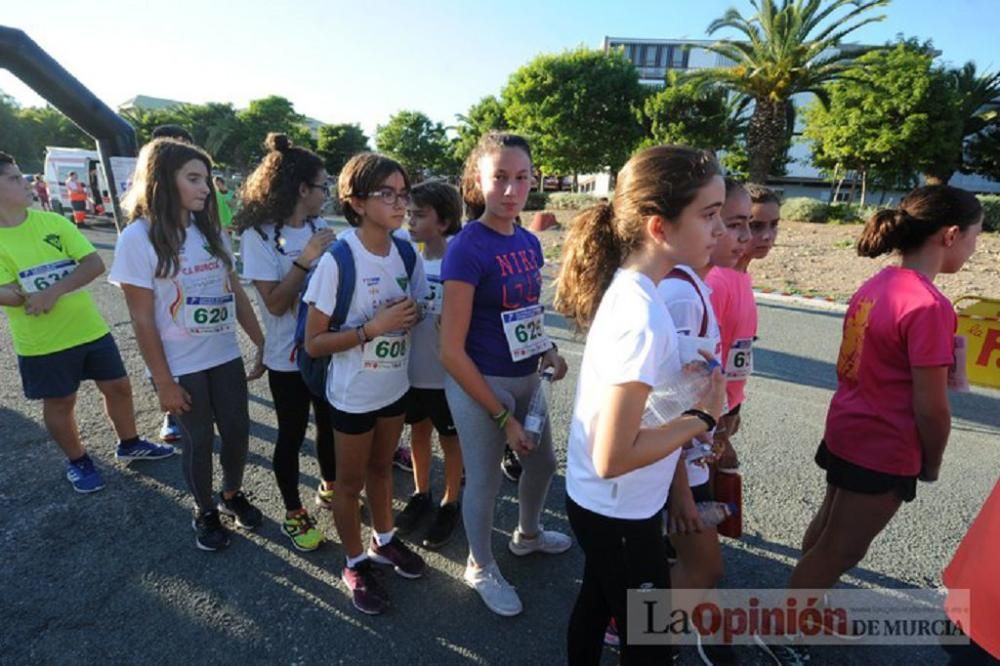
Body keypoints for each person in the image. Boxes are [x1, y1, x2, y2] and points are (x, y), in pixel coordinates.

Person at [763, 185, 983, 664]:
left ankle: (804, 612)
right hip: (885, 445)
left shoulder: (880, 283)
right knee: (840, 550)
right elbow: (932, 408)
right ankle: (783, 632)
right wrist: (932, 461)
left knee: (825, 532)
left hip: (848, 427)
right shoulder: (930, 306)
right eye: (974, 238)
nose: (974, 249)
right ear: (950, 235)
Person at [554, 145, 727, 665]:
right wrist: (700, 418)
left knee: (597, 599)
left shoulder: (634, 289)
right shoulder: (643, 316)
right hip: (618, 508)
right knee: (651, 641)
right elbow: (614, 455)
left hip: (605, 502)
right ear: (659, 227)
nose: (718, 230)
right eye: (710, 215)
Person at [109, 138, 266, 552]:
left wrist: (260, 341)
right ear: (162, 179)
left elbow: (234, 291)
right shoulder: (137, 238)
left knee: (236, 431)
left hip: (223, 353)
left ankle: (231, 494)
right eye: (194, 178)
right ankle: (204, 509)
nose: (206, 188)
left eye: (207, 179)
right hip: (180, 363)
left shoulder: (208, 229)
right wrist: (163, 381)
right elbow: (142, 319)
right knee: (198, 440)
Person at [440, 131, 571, 617]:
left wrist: (550, 349)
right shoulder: (466, 248)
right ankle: (479, 565)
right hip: (480, 381)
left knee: (542, 464)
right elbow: (450, 351)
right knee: (485, 484)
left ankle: (528, 536)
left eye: (522, 178)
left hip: (527, 376)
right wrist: (503, 418)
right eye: (500, 178)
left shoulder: (528, 241)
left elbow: (525, 312)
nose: (512, 190)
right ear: (478, 179)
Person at [0, 151, 173, 493]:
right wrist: (22, 295)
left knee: (119, 387)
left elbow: (93, 264)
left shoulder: (54, 222)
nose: (26, 182)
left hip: (90, 329)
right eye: (14, 178)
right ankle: (78, 461)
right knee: (61, 402)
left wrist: (50, 292)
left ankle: (130, 443)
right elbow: (6, 292)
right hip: (42, 343)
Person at [303, 151, 429, 615]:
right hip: (352, 394)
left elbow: (413, 309)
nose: (400, 204)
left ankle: (385, 540)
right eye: (386, 194)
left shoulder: (405, 252)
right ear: (355, 202)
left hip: (394, 387)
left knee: (382, 472)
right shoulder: (339, 260)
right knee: (348, 483)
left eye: (403, 194)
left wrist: (410, 317)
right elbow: (314, 343)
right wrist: (370, 330)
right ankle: (354, 561)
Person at [655, 177, 750, 664]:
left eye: (740, 224)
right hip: (675, 473)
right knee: (702, 568)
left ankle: (652, 642)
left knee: (697, 569)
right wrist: (681, 495)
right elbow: (658, 409)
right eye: (720, 220)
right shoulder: (682, 296)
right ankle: (650, 644)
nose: (737, 236)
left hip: (688, 462)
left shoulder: (698, 286)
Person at [235, 133, 337, 552]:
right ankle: (294, 512)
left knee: (330, 427)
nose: (326, 194)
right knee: (292, 434)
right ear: (301, 189)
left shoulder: (322, 229)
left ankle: (330, 486)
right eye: (322, 186)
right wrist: (306, 259)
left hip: (326, 350)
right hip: (287, 358)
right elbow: (275, 304)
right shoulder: (257, 237)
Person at [393, 180, 465, 549]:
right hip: (413, 369)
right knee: (418, 432)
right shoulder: (410, 258)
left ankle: (450, 502)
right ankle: (421, 493)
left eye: (419, 215)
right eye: (409, 214)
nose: (410, 221)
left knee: (451, 440)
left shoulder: (459, 259)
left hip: (449, 374)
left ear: (444, 220)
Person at [705, 183, 781, 471]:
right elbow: (704, 359)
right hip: (711, 412)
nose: (765, 236)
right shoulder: (717, 280)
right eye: (755, 224)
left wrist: (737, 405)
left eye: (774, 225)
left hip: (730, 404)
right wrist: (721, 427)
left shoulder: (742, 275)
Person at [148, 124, 195, 444]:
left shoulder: (204, 197)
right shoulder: (144, 220)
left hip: (204, 303)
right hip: (168, 307)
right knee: (170, 354)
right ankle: (172, 413)